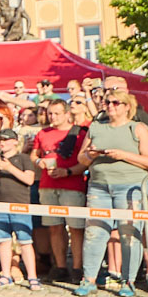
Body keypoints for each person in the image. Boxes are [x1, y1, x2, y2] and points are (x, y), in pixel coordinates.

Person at [71, 90, 148, 297]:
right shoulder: (96, 127)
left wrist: (123, 155)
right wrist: (90, 155)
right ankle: (88, 279)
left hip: (130, 187)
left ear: (127, 106)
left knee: (129, 234)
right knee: (94, 233)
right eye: (107, 102)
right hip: (99, 186)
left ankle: (128, 281)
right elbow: (81, 159)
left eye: (115, 102)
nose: (110, 106)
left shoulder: (137, 128)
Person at [0, 128, 40, 289]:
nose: (2, 143)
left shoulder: (23, 158)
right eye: (0, 140)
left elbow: (29, 179)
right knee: (3, 241)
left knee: (25, 241)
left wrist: (9, 167)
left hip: (20, 205)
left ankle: (32, 276)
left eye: (5, 140)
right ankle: (5, 274)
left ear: (15, 142)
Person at [32, 99, 86, 282]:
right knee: (54, 227)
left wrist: (68, 171)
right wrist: (38, 161)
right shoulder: (43, 133)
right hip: (47, 185)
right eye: (50, 113)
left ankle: (77, 268)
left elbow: (86, 161)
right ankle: (60, 266)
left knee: (76, 228)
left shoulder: (79, 134)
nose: (52, 117)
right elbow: (34, 154)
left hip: (72, 185)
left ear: (66, 114)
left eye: (56, 113)